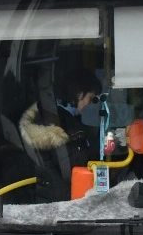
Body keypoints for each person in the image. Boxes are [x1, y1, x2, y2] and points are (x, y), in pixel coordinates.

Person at [16, 70, 100, 200]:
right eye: (90, 98)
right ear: (79, 94)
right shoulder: (56, 123)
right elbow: (62, 170)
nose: (91, 105)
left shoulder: (75, 120)